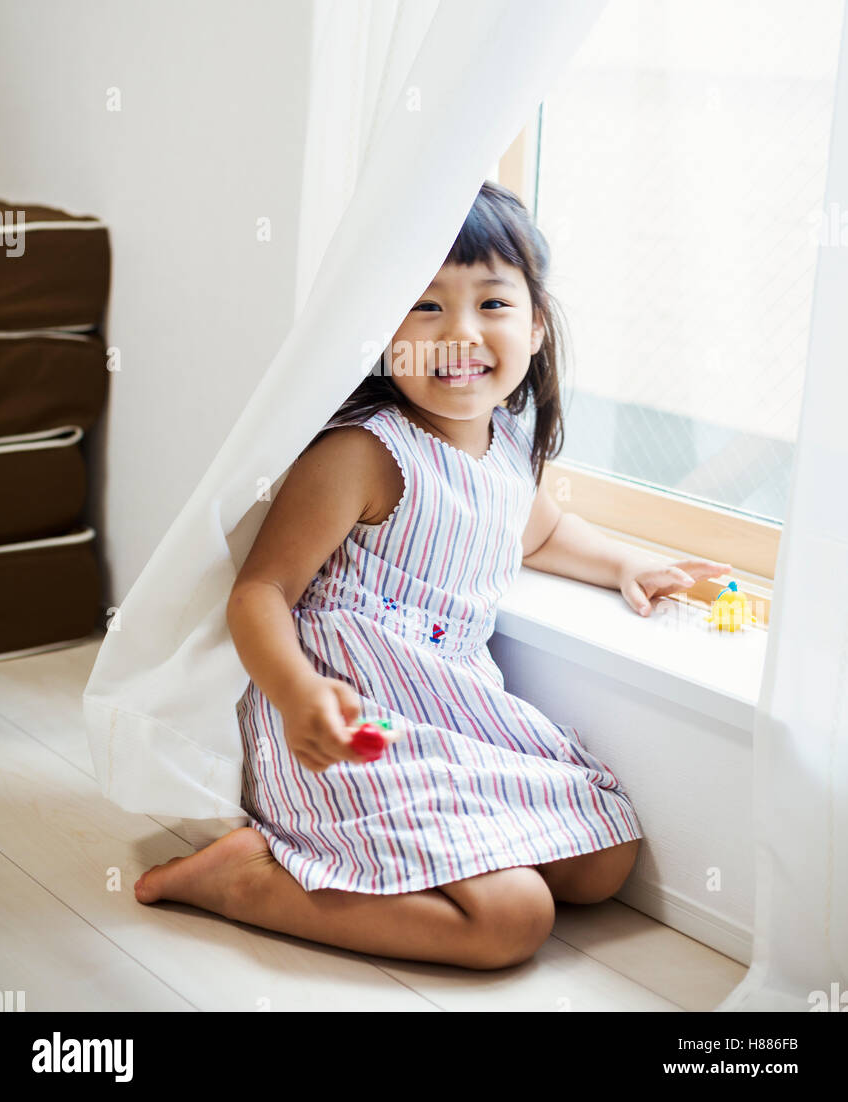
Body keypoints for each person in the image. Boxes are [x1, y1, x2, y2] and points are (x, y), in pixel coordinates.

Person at [134, 180, 731, 970]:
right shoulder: (363, 453)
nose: (459, 334)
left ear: (538, 324)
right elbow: (261, 591)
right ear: (381, 334)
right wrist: (297, 693)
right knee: (512, 920)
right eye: (424, 308)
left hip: (450, 707)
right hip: (349, 721)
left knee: (603, 861)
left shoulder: (507, 446)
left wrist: (630, 562)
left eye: (491, 305)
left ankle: (362, 867)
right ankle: (250, 883)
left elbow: (541, 533)